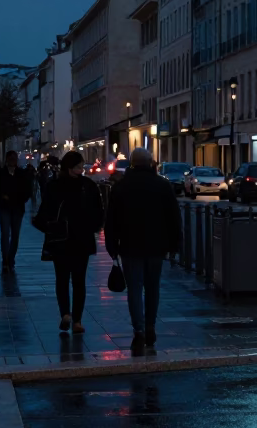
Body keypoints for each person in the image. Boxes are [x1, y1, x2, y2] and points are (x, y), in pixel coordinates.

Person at [104, 145, 181, 354]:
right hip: (157, 244)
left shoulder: (121, 187)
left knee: (135, 289)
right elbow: (173, 217)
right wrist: (175, 244)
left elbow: (111, 219)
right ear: (150, 163)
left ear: (131, 164)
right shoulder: (162, 185)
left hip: (130, 245)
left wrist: (112, 245)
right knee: (153, 287)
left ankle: (138, 329)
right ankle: (150, 326)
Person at [33, 149, 103, 333]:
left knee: (63, 279)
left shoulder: (55, 185)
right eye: (79, 166)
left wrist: (48, 227)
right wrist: (93, 226)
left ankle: (67, 314)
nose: (82, 169)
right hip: (79, 238)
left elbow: (44, 211)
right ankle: (75, 319)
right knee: (78, 280)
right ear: (70, 167)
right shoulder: (86, 186)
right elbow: (98, 211)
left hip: (61, 238)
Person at [0, 150, 33, 272]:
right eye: (10, 159)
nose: (12, 161)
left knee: (15, 235)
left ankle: (11, 258)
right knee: (5, 234)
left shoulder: (22, 174)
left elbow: (27, 190)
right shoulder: (0, 174)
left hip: (18, 208)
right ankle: (5, 259)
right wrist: (1, 199)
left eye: (14, 159)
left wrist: (21, 199)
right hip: (4, 207)